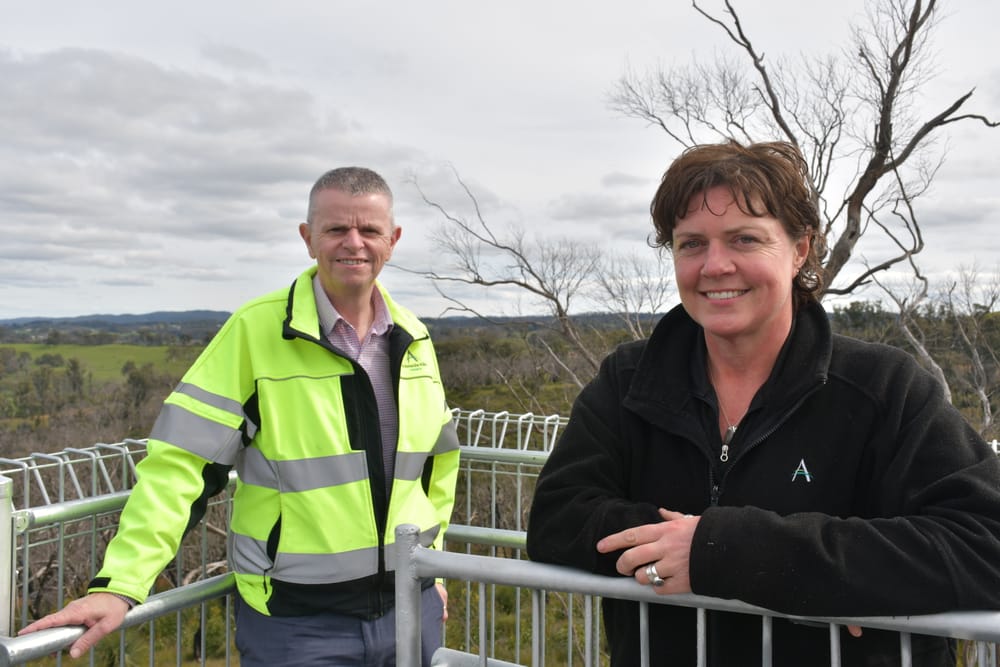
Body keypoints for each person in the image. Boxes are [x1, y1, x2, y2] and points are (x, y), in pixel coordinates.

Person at [525, 140, 1000, 666]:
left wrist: (734, 553)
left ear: (800, 250)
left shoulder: (883, 389)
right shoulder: (632, 381)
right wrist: (688, 551)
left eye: (744, 239)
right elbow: (558, 518)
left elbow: (984, 541)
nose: (715, 266)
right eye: (691, 244)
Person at [21, 167, 461, 666]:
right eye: (336, 229)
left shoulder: (414, 337)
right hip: (298, 622)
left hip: (412, 607)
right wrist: (120, 584)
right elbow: (180, 466)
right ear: (308, 238)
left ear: (393, 240)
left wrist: (434, 572)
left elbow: (435, 469)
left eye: (370, 230)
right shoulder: (254, 332)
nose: (353, 243)